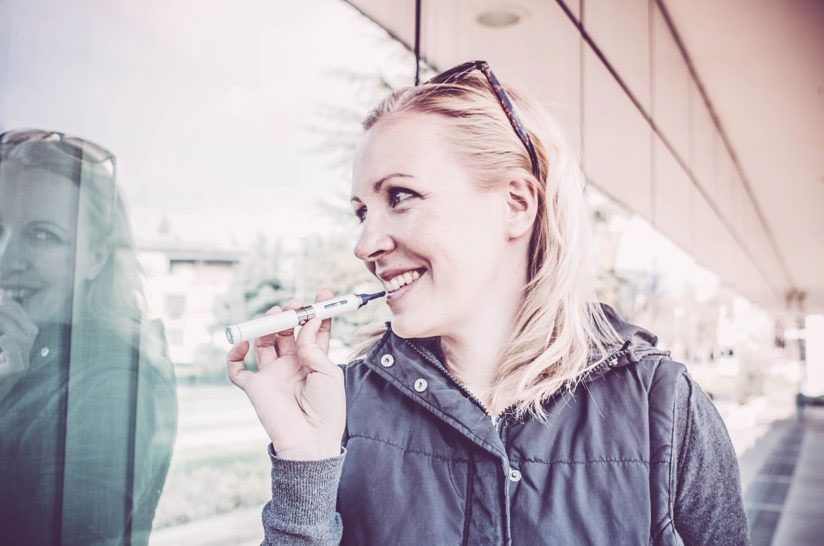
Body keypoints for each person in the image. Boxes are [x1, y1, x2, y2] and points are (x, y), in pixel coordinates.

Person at [227, 61, 751, 545]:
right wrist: (306, 465)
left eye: (400, 196)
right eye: (362, 212)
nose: (364, 245)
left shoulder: (664, 406)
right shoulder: (341, 409)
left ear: (516, 204)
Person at [0, 129, 177, 545]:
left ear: (97, 256)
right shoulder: (29, 352)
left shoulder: (113, 383)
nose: (5, 258)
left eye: (42, 235)